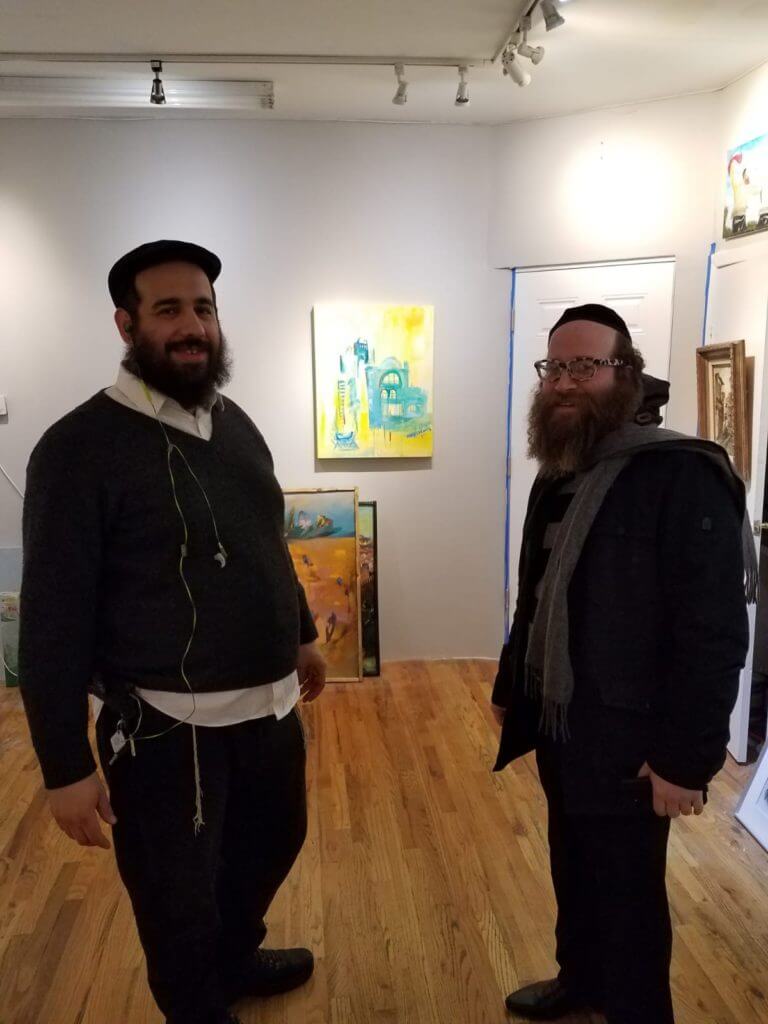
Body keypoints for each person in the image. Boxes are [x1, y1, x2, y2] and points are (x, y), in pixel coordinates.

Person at [18, 240, 327, 1024]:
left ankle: (235, 955)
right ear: (126, 325)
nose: (192, 327)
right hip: (164, 727)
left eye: (203, 309)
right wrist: (64, 766)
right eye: (168, 310)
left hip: (269, 706)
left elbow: (266, 539)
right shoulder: (77, 448)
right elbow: (52, 616)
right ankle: (196, 1006)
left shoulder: (235, 423)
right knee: (174, 895)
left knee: (275, 841)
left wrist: (300, 632)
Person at [492, 304, 753, 1023]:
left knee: (630, 897)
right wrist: (513, 685)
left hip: (632, 740)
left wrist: (684, 761)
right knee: (573, 864)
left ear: (626, 374)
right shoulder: (560, 469)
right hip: (562, 724)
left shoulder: (681, 474)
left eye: (586, 365)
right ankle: (582, 980)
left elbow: (712, 633)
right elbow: (535, 593)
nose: (564, 382)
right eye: (555, 367)